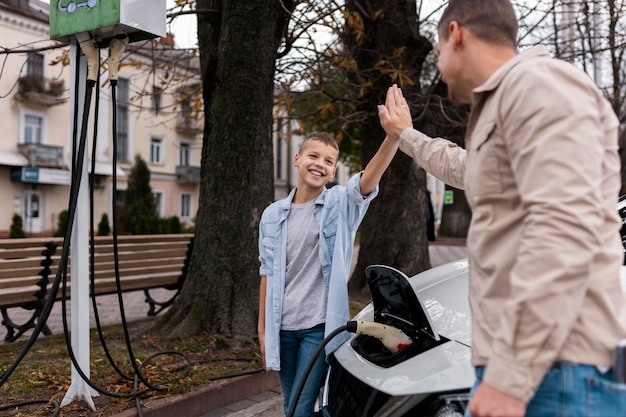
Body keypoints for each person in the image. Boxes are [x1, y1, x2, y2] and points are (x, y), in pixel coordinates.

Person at [377, 0, 626, 416]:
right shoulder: (509, 100)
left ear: (455, 34)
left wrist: (509, 378)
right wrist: (407, 136)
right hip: (533, 371)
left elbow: (563, 236)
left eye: (438, 48)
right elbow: (463, 166)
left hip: (555, 373)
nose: (437, 64)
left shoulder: (542, 87)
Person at [258, 131, 399, 417]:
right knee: (290, 406)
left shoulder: (339, 205)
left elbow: (366, 182)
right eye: (313, 156)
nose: (319, 164)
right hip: (282, 326)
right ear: (297, 159)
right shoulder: (272, 215)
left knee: (298, 408)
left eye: (328, 160)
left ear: (333, 170)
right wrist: (263, 332)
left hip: (318, 328)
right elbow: (267, 273)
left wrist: (392, 138)